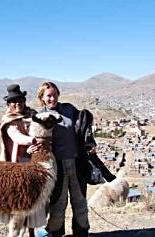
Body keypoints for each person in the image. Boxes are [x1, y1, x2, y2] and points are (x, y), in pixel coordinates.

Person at [37, 81, 90, 237]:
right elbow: (36, 139)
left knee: (80, 202)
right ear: (42, 98)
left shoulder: (69, 110)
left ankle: (81, 233)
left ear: (58, 94)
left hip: (76, 163)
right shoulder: (40, 117)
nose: (52, 99)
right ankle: (56, 233)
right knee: (58, 204)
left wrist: (89, 143)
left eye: (54, 95)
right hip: (56, 166)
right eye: (48, 96)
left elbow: (84, 126)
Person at [0, 84, 47, 237]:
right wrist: (34, 140)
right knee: (19, 204)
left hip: (33, 164)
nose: (17, 103)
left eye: (19, 100)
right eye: (13, 101)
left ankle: (32, 233)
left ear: (24, 100)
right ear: (8, 104)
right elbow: (16, 137)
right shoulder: (8, 120)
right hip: (16, 166)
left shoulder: (33, 115)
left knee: (33, 200)